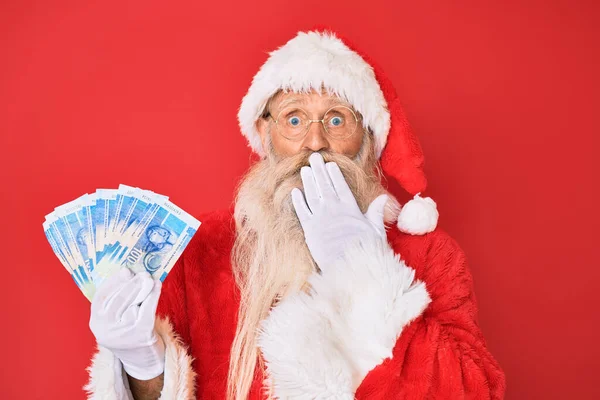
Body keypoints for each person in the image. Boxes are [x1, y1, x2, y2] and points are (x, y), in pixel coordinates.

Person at [85, 29, 506, 400]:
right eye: (294, 118)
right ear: (265, 134)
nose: (315, 142)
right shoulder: (200, 248)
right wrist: (142, 367)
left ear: (367, 141)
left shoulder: (430, 255)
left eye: (336, 119)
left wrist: (363, 273)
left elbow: (473, 393)